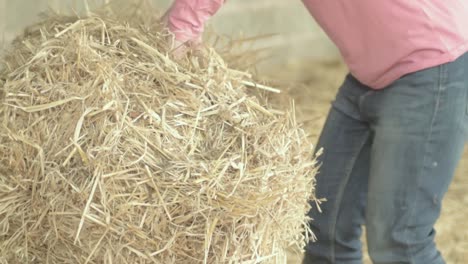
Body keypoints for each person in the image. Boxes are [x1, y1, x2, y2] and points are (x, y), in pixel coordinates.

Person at [164, 1, 468, 263]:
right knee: (324, 231)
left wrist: (184, 23)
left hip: (432, 67)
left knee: (399, 241)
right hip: (367, 74)